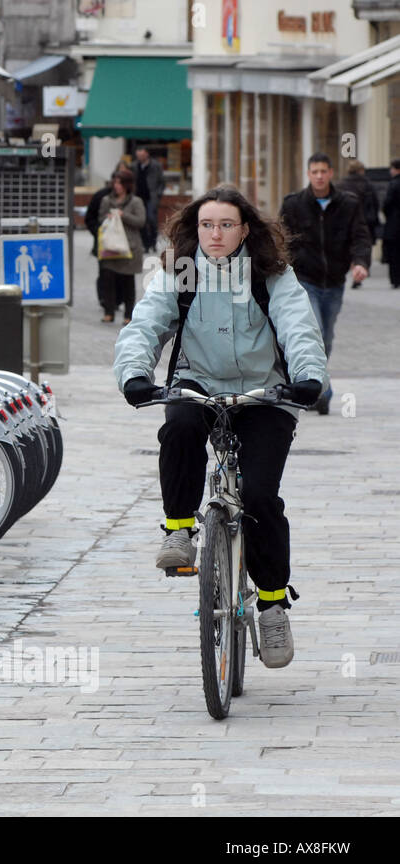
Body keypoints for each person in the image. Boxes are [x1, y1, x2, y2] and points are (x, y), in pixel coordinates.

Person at [114, 185, 329, 668]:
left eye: (226, 224)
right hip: (200, 383)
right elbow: (146, 324)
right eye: (207, 224)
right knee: (179, 427)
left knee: (258, 497)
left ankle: (273, 604)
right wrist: (133, 374)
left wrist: (309, 377)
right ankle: (178, 531)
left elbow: (298, 326)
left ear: (245, 229)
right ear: (196, 229)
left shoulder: (272, 274)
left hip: (265, 392)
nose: (216, 233)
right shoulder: (180, 273)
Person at [278, 152, 372, 415]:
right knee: (315, 331)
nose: (319, 176)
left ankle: (316, 381)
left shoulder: (348, 204)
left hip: (334, 282)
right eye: (314, 171)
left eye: (323, 171)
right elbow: (281, 240)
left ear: (331, 173)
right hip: (305, 280)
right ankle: (319, 387)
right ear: (308, 174)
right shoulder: (294, 204)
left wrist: (360, 262)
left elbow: (360, 236)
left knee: (326, 337)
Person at [97, 169, 146, 324]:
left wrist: (123, 216)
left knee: (127, 281)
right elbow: (100, 219)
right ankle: (109, 312)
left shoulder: (135, 202)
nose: (117, 186)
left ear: (127, 185)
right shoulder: (106, 200)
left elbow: (140, 221)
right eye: (115, 182)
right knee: (108, 279)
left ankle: (128, 314)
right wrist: (108, 218)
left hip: (129, 248)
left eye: (120, 183)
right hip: (110, 246)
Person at [340, 159, 380, 287]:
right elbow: (376, 202)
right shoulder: (368, 184)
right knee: (363, 244)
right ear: (361, 170)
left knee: (349, 245)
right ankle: (360, 268)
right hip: (366, 221)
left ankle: (354, 267)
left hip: (346, 221)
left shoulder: (341, 184)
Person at [134, 147, 165, 251]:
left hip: (151, 198)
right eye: (138, 156)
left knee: (152, 220)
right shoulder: (135, 166)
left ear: (147, 154)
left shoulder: (155, 166)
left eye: (141, 155)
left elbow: (162, 182)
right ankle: (146, 244)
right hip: (138, 197)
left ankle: (153, 242)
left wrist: (158, 194)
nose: (140, 158)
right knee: (141, 221)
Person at [382, 159, 400, 288]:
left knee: (394, 254)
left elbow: (387, 204)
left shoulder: (393, 184)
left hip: (394, 223)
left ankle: (395, 280)